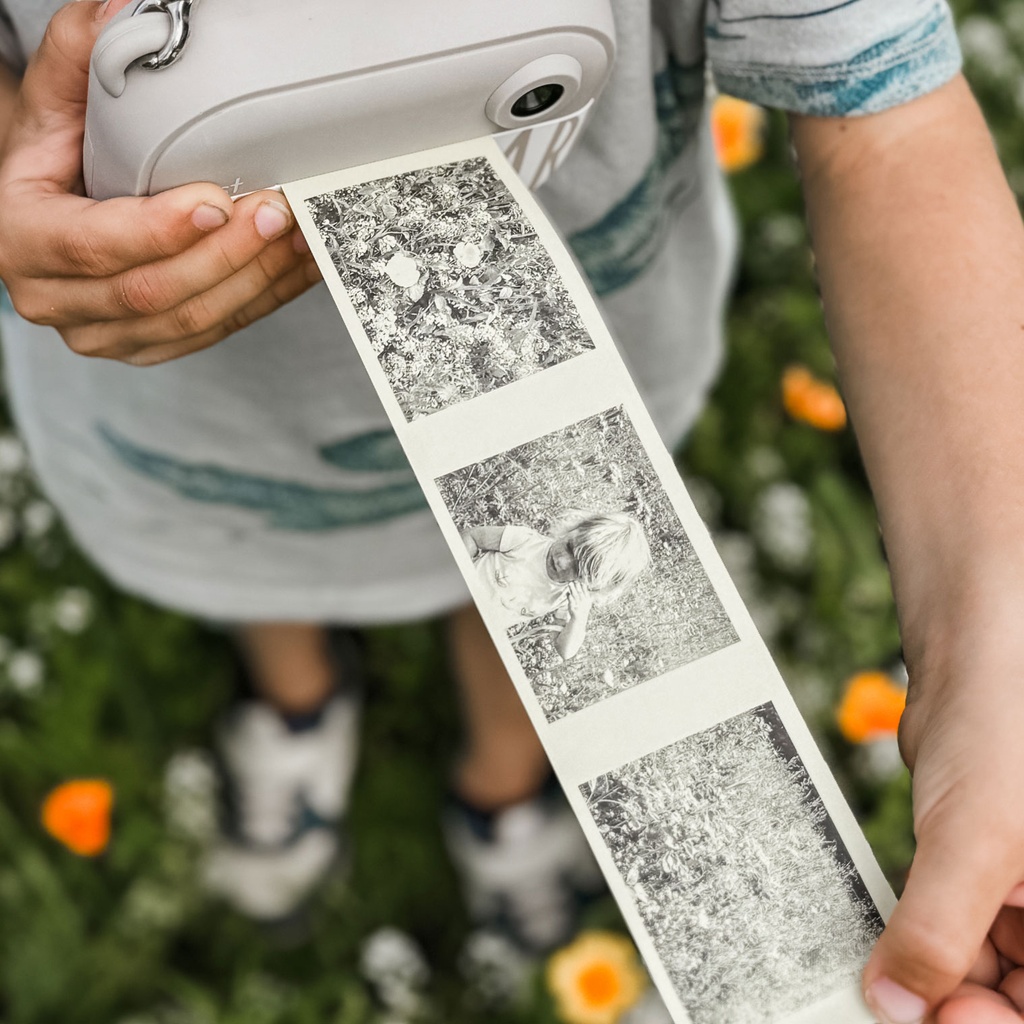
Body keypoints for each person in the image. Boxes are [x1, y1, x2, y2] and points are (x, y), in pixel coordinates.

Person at [0, 0, 1022, 1020]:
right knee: (260, 569)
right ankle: (299, 702)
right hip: (196, 418)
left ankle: (503, 777)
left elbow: (885, 110)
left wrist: (989, 645)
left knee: (526, 578)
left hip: (565, 379)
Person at [463, 512, 651, 660]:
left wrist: (579, 619)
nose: (562, 562)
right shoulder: (525, 541)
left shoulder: (566, 596)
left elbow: (565, 651)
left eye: (578, 570)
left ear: (593, 585)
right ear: (574, 529)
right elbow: (472, 536)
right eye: (569, 547)